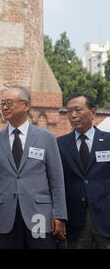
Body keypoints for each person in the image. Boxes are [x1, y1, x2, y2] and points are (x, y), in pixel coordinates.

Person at [0, 85, 67, 249]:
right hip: (6, 216)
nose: (5, 107)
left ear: (26, 105)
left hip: (39, 215)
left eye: (9, 102)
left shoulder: (46, 138)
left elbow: (56, 180)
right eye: (2, 104)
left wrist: (59, 215)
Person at [57, 93, 110, 249]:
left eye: (78, 110)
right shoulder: (59, 144)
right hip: (74, 221)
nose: (73, 115)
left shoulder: (108, 141)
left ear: (92, 112)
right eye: (69, 111)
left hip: (105, 217)